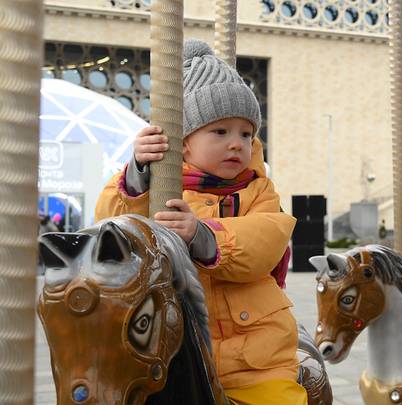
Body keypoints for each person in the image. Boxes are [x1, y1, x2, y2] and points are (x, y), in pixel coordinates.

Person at [95, 39, 306, 405]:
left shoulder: (258, 190)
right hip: (176, 348)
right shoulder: (160, 188)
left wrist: (202, 235)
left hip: (256, 360)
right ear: (184, 142)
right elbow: (113, 225)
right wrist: (138, 172)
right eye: (220, 132)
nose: (236, 144)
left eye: (245, 133)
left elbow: (267, 239)